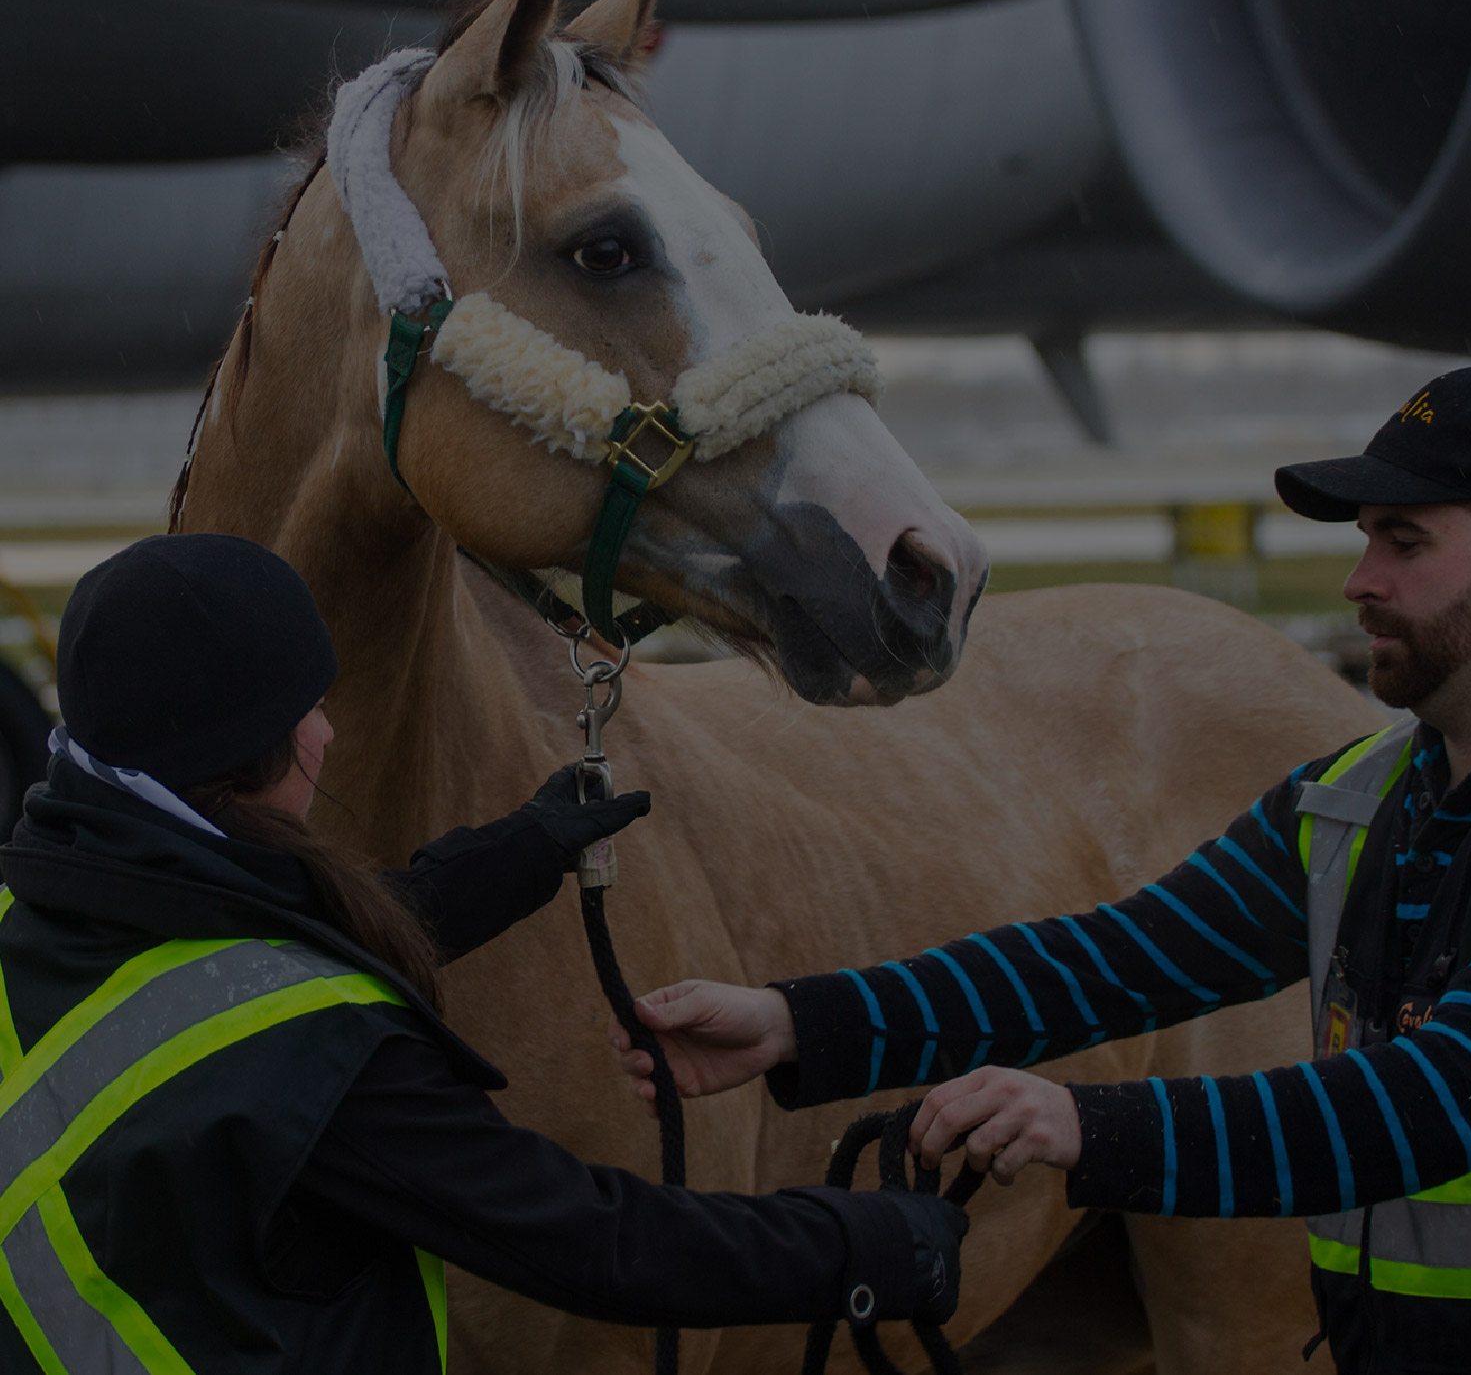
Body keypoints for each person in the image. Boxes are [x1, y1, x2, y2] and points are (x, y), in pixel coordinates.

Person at [616, 365, 1471, 1373]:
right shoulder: (1358, 796)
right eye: (1365, 538)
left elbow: (1436, 1101)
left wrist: (1082, 1123)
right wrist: (798, 1022)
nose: (1358, 581)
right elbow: (1113, 962)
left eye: (1403, 543)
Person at [0, 532, 965, 1375]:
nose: (328, 733)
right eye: (310, 710)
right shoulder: (318, 1061)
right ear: (255, 751)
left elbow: (210, 964)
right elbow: (594, 1241)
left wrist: (516, 855)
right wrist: (873, 1245)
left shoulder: (31, 913)